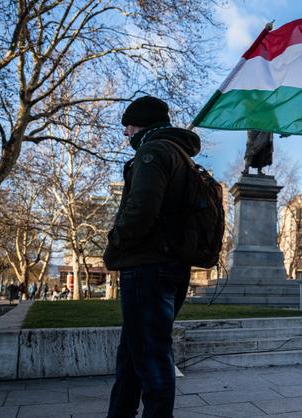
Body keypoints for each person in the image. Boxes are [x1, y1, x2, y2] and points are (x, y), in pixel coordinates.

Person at [103, 95, 200, 418]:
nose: (126, 135)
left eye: (127, 127)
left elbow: (140, 210)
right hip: (172, 265)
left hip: (147, 266)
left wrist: (115, 241)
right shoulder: (182, 157)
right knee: (133, 353)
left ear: (139, 124)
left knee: (152, 356)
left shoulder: (154, 152)